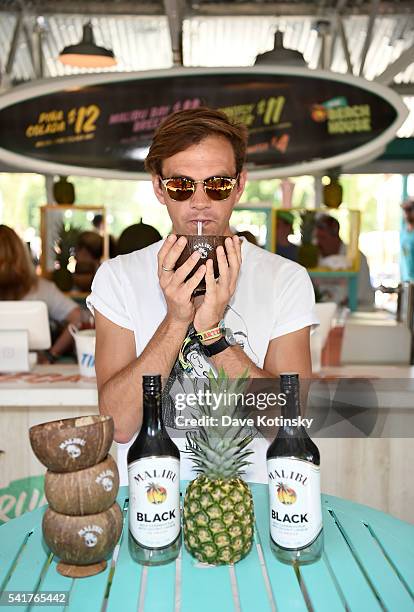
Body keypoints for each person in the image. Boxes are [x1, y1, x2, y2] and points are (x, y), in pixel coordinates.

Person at [87, 107, 318, 484]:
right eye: (181, 185)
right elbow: (120, 426)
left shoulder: (285, 279)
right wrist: (176, 319)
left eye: (217, 185)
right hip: (152, 501)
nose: (199, 201)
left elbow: (286, 425)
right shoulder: (118, 278)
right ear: (159, 188)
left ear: (239, 185)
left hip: (250, 500)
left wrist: (212, 334)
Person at [0, 225, 81, 362]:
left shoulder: (42, 288)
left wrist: (51, 355)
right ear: (20, 254)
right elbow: (77, 317)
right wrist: (52, 354)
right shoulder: (42, 288)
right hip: (33, 366)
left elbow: (77, 316)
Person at [314, 213, 375, 309]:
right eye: (317, 238)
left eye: (322, 238)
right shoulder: (313, 257)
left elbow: (362, 292)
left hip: (352, 315)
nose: (318, 243)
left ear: (335, 235)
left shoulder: (356, 258)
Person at [400, 198, 414, 281]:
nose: (407, 213)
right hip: (406, 280)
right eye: (405, 210)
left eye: (409, 210)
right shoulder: (403, 233)